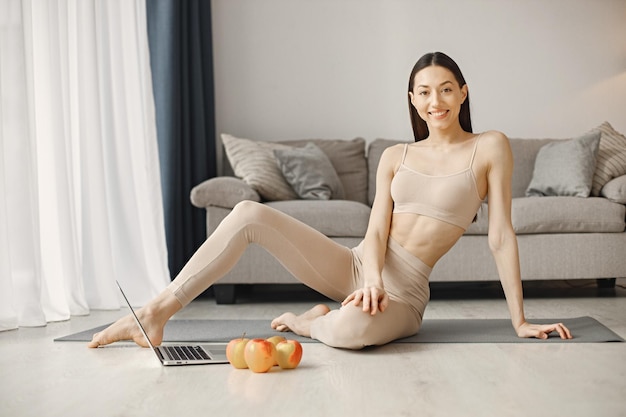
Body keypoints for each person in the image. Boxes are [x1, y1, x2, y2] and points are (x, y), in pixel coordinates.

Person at [88, 52, 571, 350]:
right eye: (424, 92)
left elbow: (501, 235)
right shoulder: (395, 155)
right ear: (412, 98)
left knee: (348, 334)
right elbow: (377, 230)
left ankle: (311, 321)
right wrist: (371, 279)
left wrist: (520, 320)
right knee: (248, 213)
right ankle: (154, 314)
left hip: (405, 292)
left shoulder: (490, 146)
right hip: (360, 266)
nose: (435, 100)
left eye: (446, 89)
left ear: (463, 93)